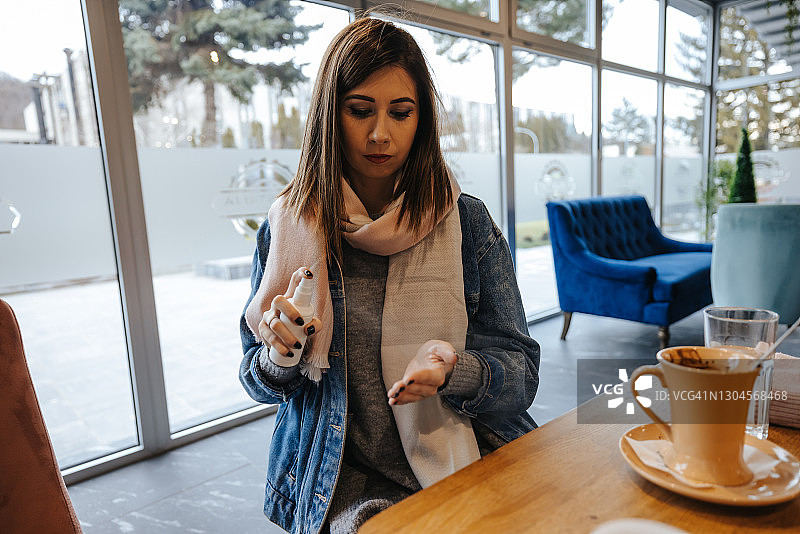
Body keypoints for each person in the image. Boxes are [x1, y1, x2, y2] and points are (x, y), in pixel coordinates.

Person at [239, 15, 540, 534]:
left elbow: (522, 375)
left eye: (401, 113)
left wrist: (455, 371)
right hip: (345, 481)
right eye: (360, 111)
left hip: (469, 455)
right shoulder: (289, 227)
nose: (380, 134)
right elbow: (257, 381)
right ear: (330, 115)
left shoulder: (466, 223)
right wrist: (280, 356)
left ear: (421, 119)